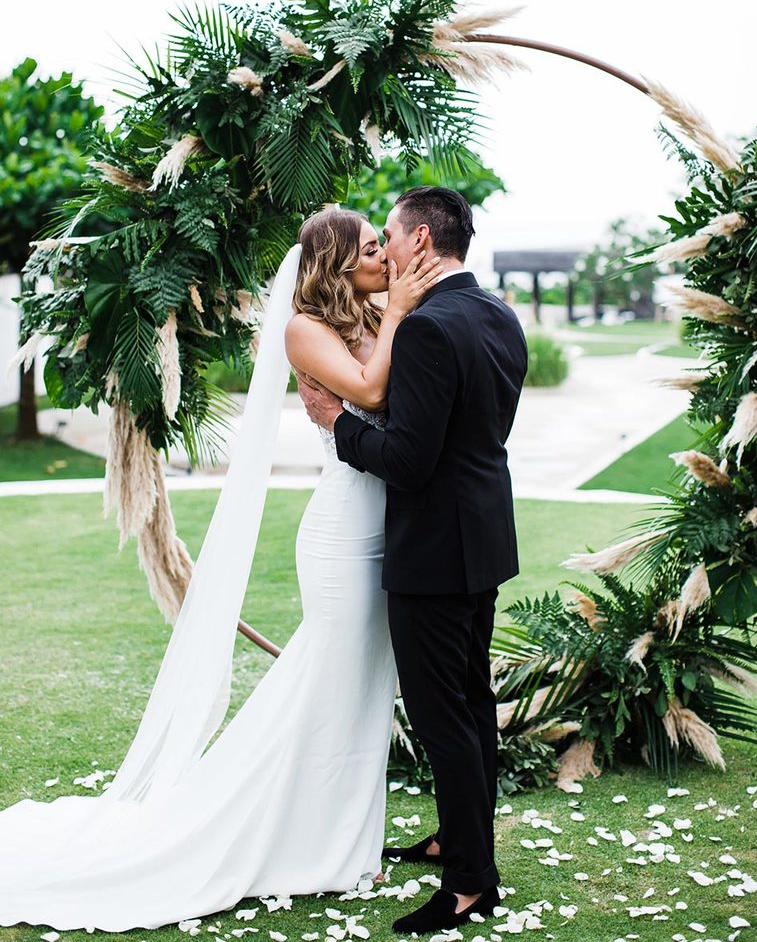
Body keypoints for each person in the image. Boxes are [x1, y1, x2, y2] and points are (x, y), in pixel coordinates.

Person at [0, 209, 440, 932]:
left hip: (387, 526)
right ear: (331, 263)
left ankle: (341, 844)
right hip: (341, 533)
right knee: (326, 683)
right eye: (369, 251)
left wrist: (395, 311)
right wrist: (396, 311)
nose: (383, 261)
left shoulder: (367, 313)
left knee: (359, 687)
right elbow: (368, 392)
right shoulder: (305, 327)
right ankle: (272, 835)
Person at [298, 187, 529, 936]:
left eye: (389, 237)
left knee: (444, 721)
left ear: (421, 242)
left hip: (431, 554)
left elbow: (406, 459)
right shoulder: (497, 313)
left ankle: (469, 884)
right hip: (484, 541)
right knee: (470, 706)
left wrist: (337, 426)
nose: (386, 250)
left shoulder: (427, 328)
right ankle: (458, 843)